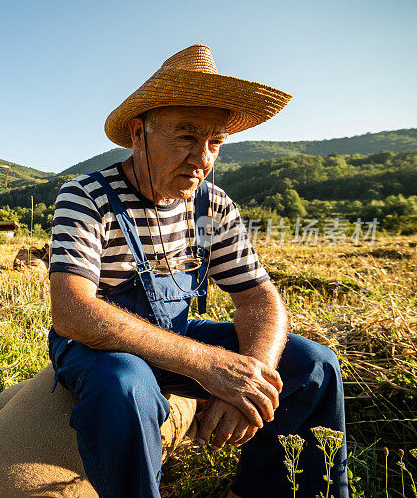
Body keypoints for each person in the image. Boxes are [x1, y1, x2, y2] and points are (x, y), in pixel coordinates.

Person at [48, 44, 348, 498]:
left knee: (315, 366)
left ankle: (259, 491)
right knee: (125, 386)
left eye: (215, 142)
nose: (202, 158)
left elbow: (258, 297)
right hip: (97, 347)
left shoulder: (213, 204)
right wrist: (208, 365)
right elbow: (72, 311)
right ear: (138, 132)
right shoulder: (87, 197)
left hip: (179, 331)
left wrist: (249, 375)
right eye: (186, 136)